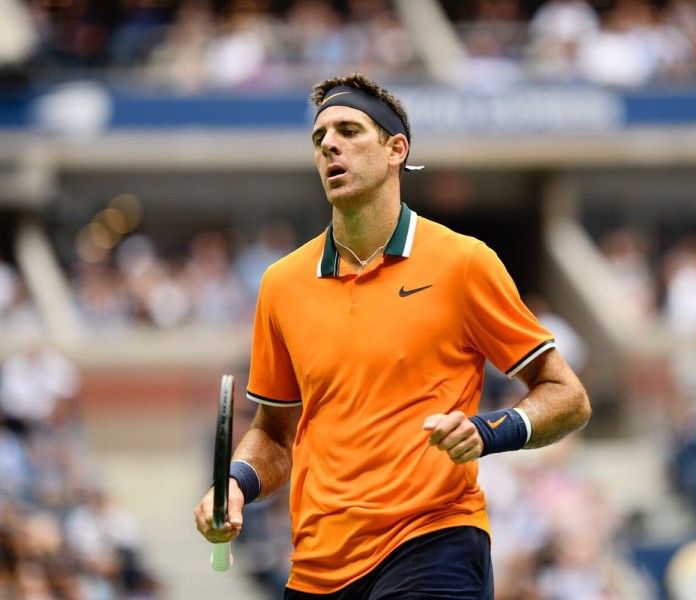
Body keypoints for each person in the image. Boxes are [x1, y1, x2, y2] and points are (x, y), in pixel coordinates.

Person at [194, 72, 591, 599]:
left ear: (394, 150)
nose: (330, 144)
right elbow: (273, 434)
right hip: (318, 565)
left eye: (349, 131)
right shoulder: (281, 284)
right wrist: (238, 486)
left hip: (434, 540)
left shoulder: (463, 263)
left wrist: (491, 430)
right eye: (319, 138)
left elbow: (568, 396)